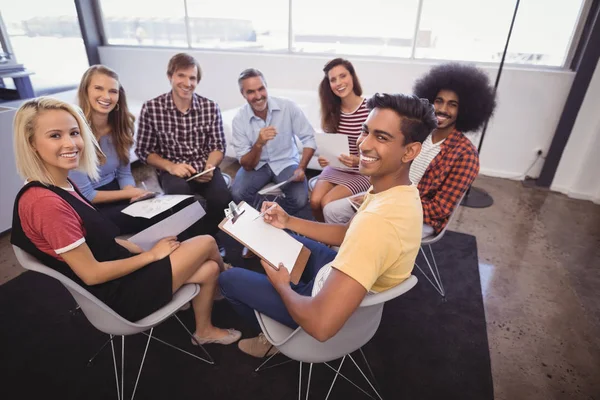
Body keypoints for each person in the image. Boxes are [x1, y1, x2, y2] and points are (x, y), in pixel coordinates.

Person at [219, 93, 436, 357]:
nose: (363, 144)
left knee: (228, 279)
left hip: (329, 311)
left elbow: (321, 326)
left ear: (410, 151)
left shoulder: (377, 224)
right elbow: (347, 233)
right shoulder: (397, 191)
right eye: (366, 131)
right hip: (344, 274)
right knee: (284, 235)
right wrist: (288, 221)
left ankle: (271, 339)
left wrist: (282, 286)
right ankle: (290, 277)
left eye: (381, 137)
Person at [11, 97, 241, 345]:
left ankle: (204, 330)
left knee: (207, 268)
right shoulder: (46, 204)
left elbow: (99, 242)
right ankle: (226, 280)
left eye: (74, 132)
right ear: (31, 143)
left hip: (118, 272)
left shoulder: (61, 183)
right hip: (116, 296)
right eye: (55, 135)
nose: (71, 143)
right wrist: (151, 256)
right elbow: (91, 274)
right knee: (206, 242)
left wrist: (138, 248)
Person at [322, 63, 496, 237]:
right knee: (332, 211)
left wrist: (387, 202)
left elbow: (439, 210)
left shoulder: (465, 155)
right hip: (387, 195)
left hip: (420, 216)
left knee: (365, 227)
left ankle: (361, 258)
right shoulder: (418, 132)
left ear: (465, 109)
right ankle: (347, 255)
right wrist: (373, 193)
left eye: (452, 104)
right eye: (439, 101)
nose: (443, 109)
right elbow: (390, 163)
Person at [135, 53, 232, 237]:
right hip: (173, 169)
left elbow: (218, 145)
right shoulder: (151, 108)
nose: (187, 83)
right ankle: (193, 241)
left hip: (204, 166)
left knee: (222, 198)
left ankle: (209, 238)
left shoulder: (210, 107)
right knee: (180, 197)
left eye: (192, 78)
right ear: (170, 76)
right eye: (181, 75)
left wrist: (210, 166)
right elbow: (144, 150)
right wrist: (170, 166)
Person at [69, 65, 155, 235]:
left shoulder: (121, 128)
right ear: (85, 91)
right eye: (98, 88)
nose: (106, 96)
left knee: (167, 210)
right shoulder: (73, 134)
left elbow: (124, 174)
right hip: (87, 205)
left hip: (115, 190)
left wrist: (131, 192)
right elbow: (87, 194)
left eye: (113, 91)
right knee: (158, 219)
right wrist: (126, 195)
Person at [230, 68, 316, 216]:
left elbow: (309, 138)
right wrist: (258, 144)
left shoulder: (288, 107)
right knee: (237, 193)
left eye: (261, 89)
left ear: (266, 86)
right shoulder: (239, 119)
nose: (258, 96)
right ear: (243, 94)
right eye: (251, 92)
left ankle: (275, 217)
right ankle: (261, 218)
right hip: (257, 166)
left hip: (286, 162)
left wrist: (301, 168)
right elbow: (246, 164)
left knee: (300, 199)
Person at [309, 58, 371, 221]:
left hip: (362, 171)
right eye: (333, 79)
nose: (339, 83)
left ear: (352, 77)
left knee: (327, 203)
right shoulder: (332, 111)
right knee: (314, 201)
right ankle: (325, 238)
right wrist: (325, 159)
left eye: (343, 76)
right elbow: (331, 147)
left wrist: (358, 161)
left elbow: (379, 152)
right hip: (337, 168)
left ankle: (335, 238)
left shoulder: (371, 110)